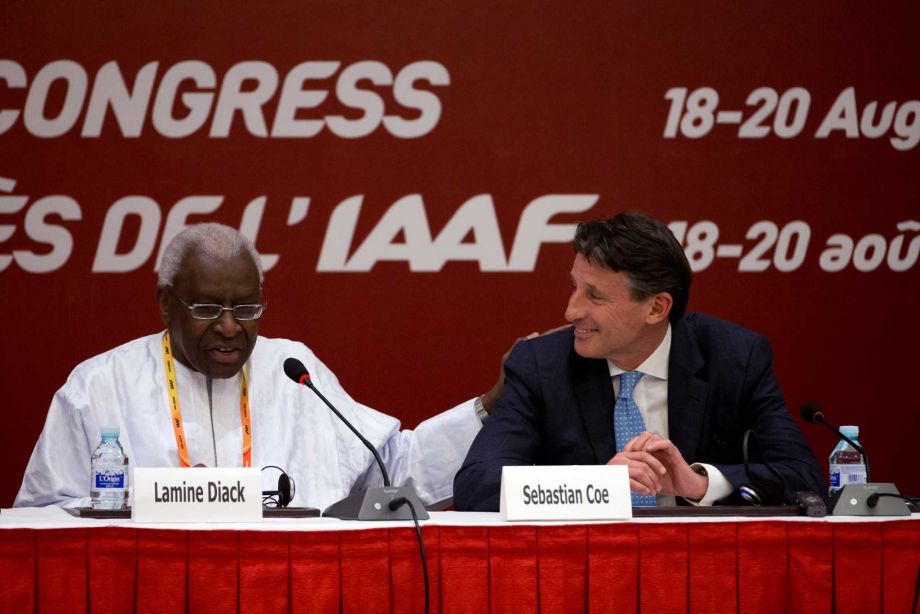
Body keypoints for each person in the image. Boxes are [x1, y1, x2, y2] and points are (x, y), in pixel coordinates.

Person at [15, 223, 495, 510]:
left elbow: (391, 470)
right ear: (165, 305)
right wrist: (156, 504)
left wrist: (488, 407)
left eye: (246, 310)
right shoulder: (99, 386)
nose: (229, 328)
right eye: (206, 309)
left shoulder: (293, 370)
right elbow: (40, 520)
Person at [454, 211, 824, 511]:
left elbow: (803, 478)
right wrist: (597, 485)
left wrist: (699, 482)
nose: (571, 311)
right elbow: (477, 485)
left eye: (595, 296)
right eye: (574, 287)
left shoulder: (734, 358)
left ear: (656, 307)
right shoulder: (540, 366)